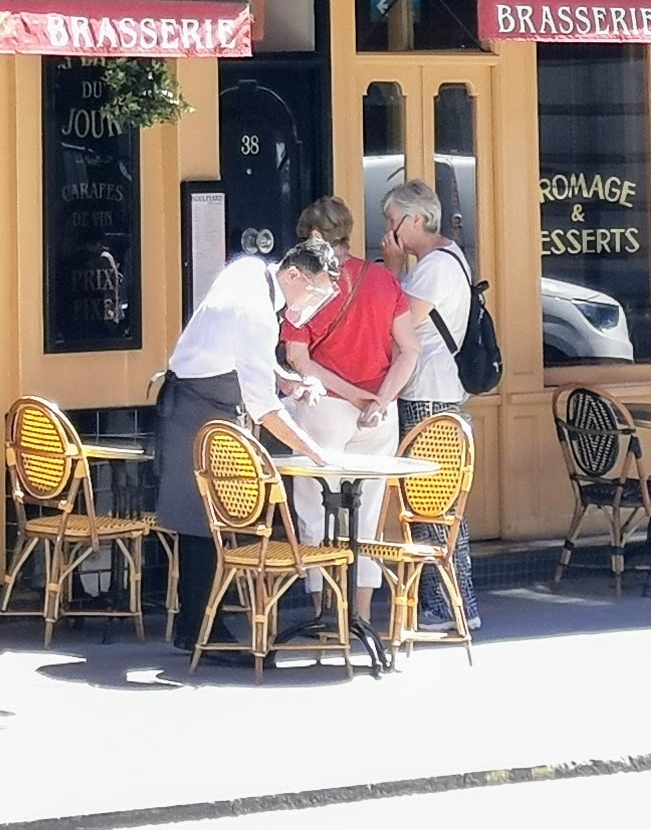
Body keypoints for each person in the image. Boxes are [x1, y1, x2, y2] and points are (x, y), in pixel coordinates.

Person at [156, 240, 343, 639]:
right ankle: (202, 633)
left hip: (197, 401)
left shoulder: (248, 269)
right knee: (207, 524)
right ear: (293, 275)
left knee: (209, 524)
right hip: (200, 411)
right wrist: (316, 453)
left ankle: (200, 628)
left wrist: (285, 380)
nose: (314, 305)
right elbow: (263, 409)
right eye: (315, 292)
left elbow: (235, 350)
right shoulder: (258, 313)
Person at [287, 203, 407, 628]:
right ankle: (360, 614)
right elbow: (410, 350)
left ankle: (325, 613)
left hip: (327, 407)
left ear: (309, 237)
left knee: (315, 510)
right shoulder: (381, 278)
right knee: (369, 514)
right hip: (380, 414)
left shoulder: (307, 282)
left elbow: (300, 359)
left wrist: (355, 397)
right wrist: (379, 399)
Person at [369, 178, 470, 438]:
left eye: (393, 222)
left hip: (426, 390)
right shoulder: (445, 257)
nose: (389, 231)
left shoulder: (435, 267)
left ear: (417, 219)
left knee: (419, 473)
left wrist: (392, 269)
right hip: (432, 386)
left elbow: (398, 325)